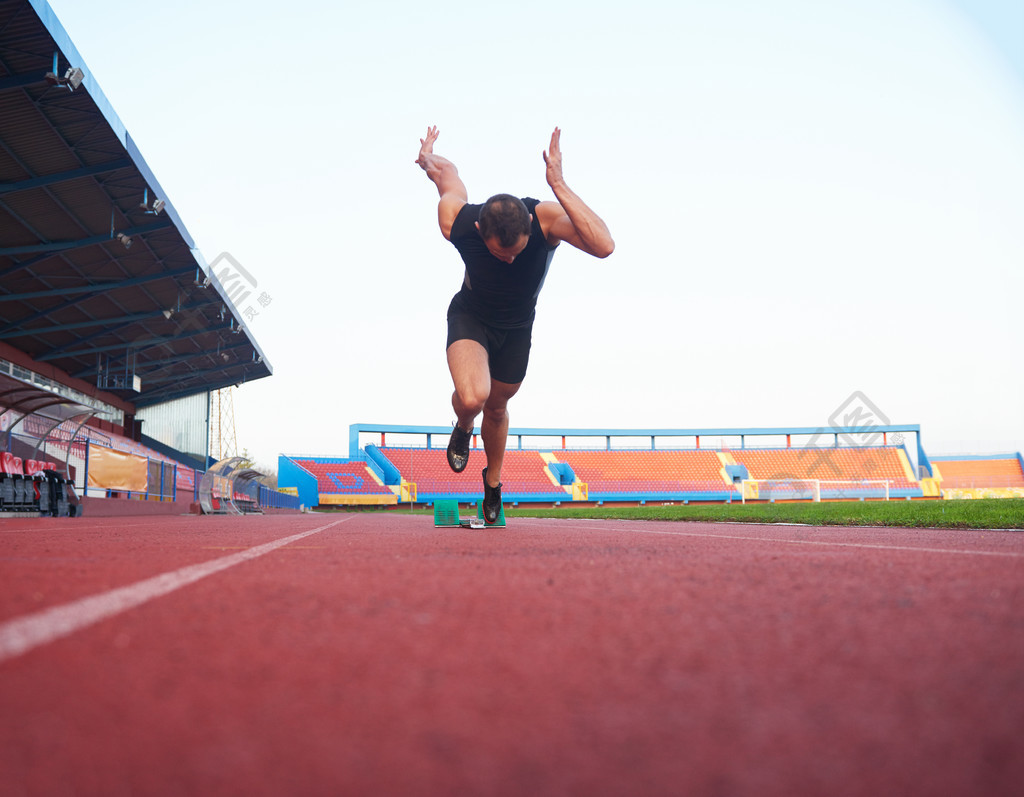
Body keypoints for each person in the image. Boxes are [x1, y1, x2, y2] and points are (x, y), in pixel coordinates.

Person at [416, 126, 614, 523]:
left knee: (498, 406)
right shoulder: (458, 220)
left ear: (529, 230)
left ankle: (493, 485)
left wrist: (558, 183)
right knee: (474, 398)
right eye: (498, 254)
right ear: (479, 234)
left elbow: (603, 245)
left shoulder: (545, 220)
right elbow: (447, 175)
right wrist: (427, 158)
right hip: (471, 315)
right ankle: (462, 424)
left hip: (517, 328)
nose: (508, 260)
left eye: (517, 253)